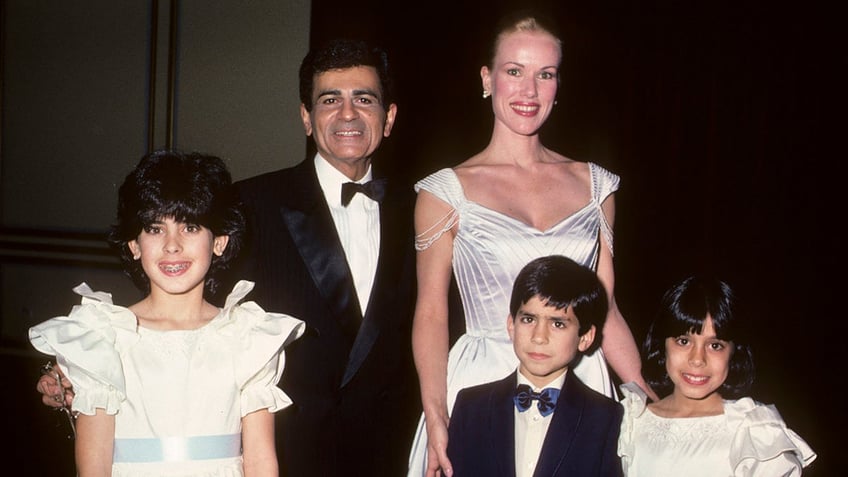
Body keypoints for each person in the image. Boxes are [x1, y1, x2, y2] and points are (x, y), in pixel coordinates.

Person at [36, 39, 420, 477]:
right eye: (330, 100)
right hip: (283, 451)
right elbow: (173, 295)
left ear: (388, 118)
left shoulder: (425, 211)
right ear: (306, 118)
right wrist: (71, 368)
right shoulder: (247, 205)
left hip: (387, 454)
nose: (347, 114)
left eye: (364, 99)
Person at [408, 12, 656, 476]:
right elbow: (431, 314)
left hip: (579, 380)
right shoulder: (444, 192)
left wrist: (644, 393)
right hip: (478, 384)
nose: (529, 91)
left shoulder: (596, 185)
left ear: (558, 86)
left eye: (545, 75)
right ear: (487, 79)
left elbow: (609, 310)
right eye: (514, 71)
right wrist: (438, 413)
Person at [29, 150, 305, 476]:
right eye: (155, 229)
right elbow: (94, 466)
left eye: (189, 227)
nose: (172, 245)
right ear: (134, 245)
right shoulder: (104, 337)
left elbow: (260, 461)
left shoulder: (247, 337)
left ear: (218, 241)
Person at [617, 275, 817, 476]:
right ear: (663, 344)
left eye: (715, 346)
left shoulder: (752, 432)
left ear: (733, 352)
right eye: (683, 341)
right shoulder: (632, 423)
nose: (697, 359)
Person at [447, 255, 623, 477]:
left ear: (585, 337)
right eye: (529, 319)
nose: (539, 337)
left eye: (558, 323)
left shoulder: (605, 417)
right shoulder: (471, 407)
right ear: (511, 325)